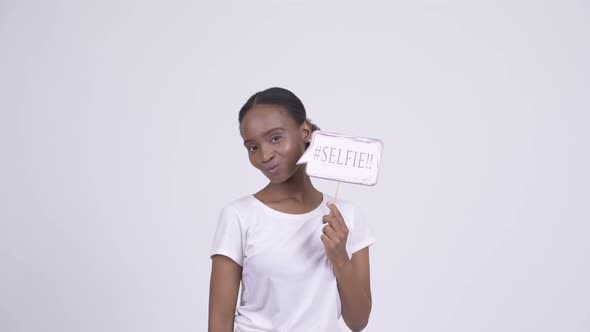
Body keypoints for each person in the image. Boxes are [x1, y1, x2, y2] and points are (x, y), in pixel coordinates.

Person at [208, 87, 376, 332]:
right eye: (252, 147)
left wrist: (340, 257)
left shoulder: (347, 216)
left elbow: (358, 321)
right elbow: (219, 324)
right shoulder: (238, 216)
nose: (264, 155)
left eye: (276, 138)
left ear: (305, 131)